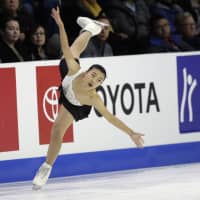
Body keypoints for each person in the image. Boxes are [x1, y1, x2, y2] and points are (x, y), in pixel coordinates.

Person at [32, 6, 144, 190]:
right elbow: (65, 47)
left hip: (75, 104)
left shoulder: (93, 98)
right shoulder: (76, 70)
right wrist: (60, 24)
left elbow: (111, 118)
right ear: (86, 73)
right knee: (71, 53)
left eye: (99, 80)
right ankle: (91, 29)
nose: (95, 80)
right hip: (69, 80)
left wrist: (131, 132)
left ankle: (46, 167)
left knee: (57, 132)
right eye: (93, 75)